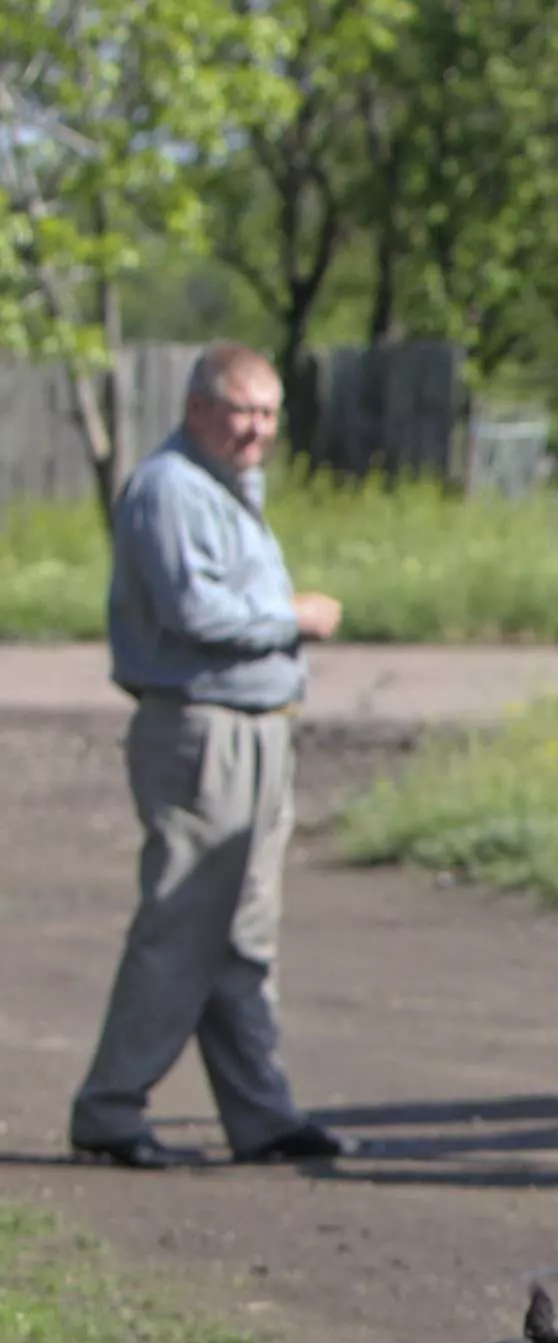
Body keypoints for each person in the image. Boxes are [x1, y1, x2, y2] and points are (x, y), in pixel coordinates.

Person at [69, 342, 355, 1170]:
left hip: (258, 727)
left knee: (244, 934)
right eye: (241, 410)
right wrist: (289, 614)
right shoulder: (168, 489)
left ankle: (261, 1116)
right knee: (183, 923)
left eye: (268, 413)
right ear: (198, 408)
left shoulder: (228, 490)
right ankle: (110, 1108)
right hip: (203, 730)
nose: (256, 429)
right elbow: (195, 611)